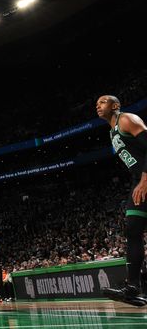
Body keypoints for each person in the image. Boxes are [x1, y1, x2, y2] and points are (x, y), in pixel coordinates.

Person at [97, 95, 147, 306]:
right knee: (133, 229)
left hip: (145, 178)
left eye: (102, 102)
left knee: (133, 229)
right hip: (138, 179)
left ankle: (134, 286)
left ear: (115, 105)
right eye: (97, 104)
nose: (98, 105)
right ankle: (133, 287)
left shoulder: (127, 119)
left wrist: (145, 179)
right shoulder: (111, 131)